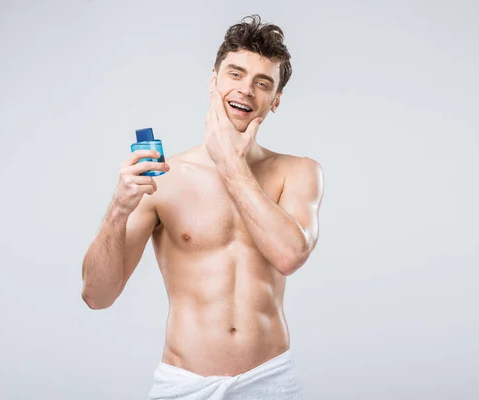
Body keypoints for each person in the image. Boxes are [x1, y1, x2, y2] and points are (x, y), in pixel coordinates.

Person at [81, 14, 324, 399]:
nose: (246, 90)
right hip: (183, 384)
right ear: (213, 81)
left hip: (269, 382)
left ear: (274, 101)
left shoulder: (298, 172)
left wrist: (231, 163)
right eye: (235, 74)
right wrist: (117, 209)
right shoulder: (163, 176)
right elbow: (97, 295)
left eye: (262, 83)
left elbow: (289, 255)